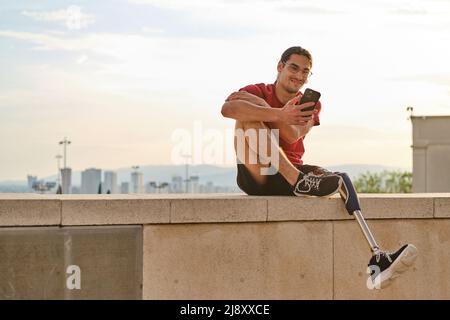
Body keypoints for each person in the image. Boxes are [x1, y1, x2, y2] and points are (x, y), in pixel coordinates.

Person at [221, 46, 418, 289]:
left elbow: (293, 136)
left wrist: (266, 110)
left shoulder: (308, 103)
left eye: (306, 71)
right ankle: (297, 181)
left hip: (291, 170)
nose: (300, 75)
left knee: (340, 179)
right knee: (247, 117)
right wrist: (278, 113)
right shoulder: (258, 91)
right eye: (294, 67)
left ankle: (378, 259)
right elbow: (227, 109)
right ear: (280, 67)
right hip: (256, 172)